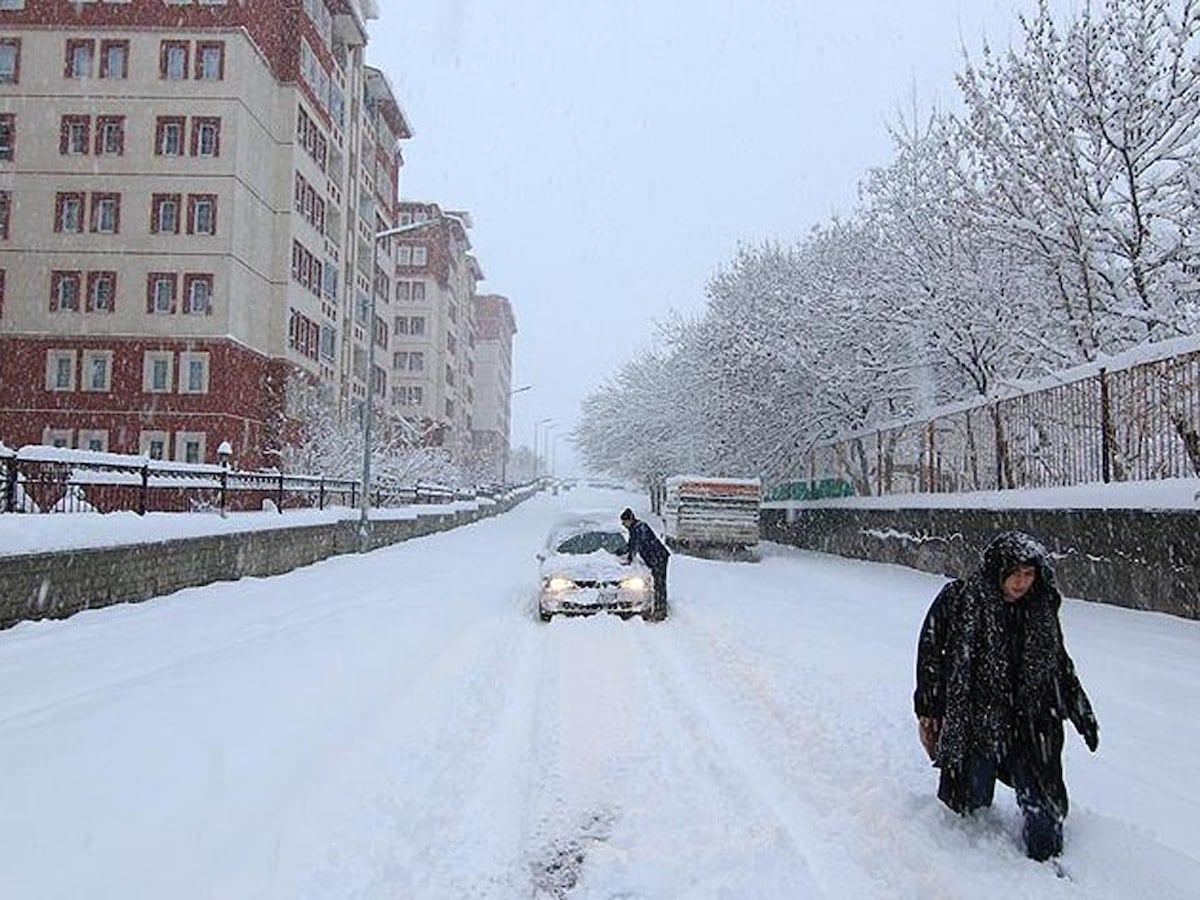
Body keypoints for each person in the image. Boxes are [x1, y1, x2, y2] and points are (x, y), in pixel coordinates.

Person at [913, 531, 1099, 862]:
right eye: (1014, 573)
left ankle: (1048, 860)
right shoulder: (963, 599)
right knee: (971, 803)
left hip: (1033, 721)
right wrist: (929, 706)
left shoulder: (1040, 609)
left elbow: (1059, 663)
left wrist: (1080, 710)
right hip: (979, 719)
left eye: (1028, 575)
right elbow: (932, 653)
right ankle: (969, 865)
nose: (1021, 583)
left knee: (1041, 796)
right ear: (998, 570)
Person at [619, 507, 670, 620]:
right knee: (656, 583)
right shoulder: (634, 528)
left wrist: (629, 559)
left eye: (624, 522)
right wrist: (620, 551)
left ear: (630, 519)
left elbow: (636, 545)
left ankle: (660, 611)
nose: (623, 525)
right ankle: (658, 607)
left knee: (659, 583)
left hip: (659, 557)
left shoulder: (640, 527)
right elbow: (630, 545)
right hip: (654, 558)